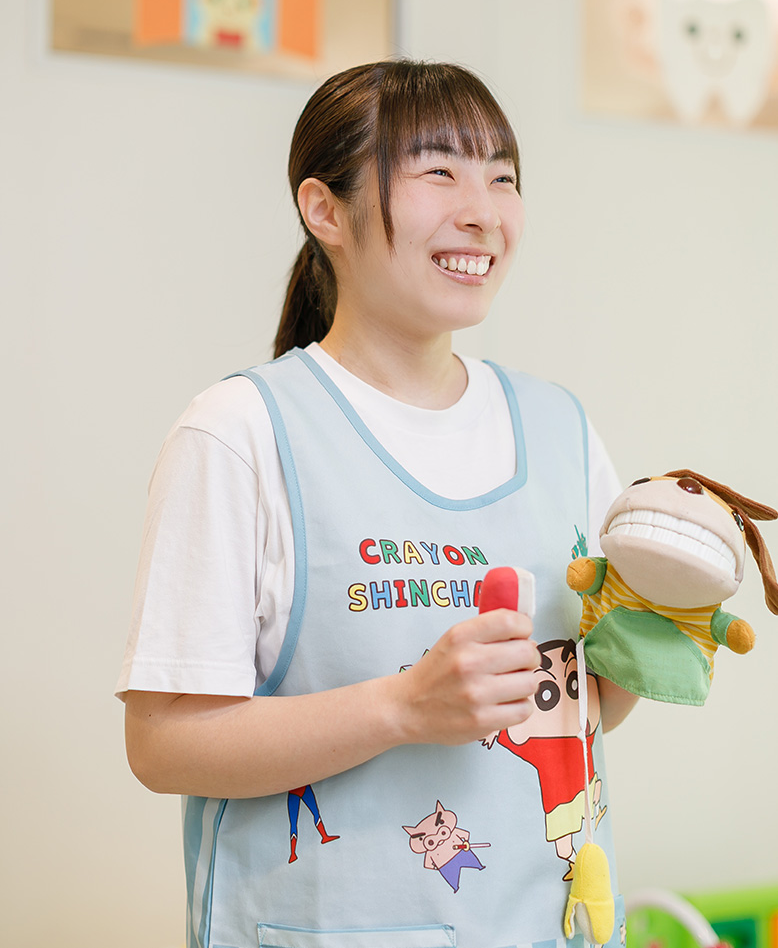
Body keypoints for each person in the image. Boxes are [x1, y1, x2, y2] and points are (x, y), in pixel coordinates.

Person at [117, 59, 637, 948]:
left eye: (502, 177)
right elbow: (162, 743)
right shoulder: (241, 433)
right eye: (439, 170)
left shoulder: (564, 430)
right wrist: (402, 707)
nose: (483, 211)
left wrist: (661, 631)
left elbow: (581, 710)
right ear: (325, 210)